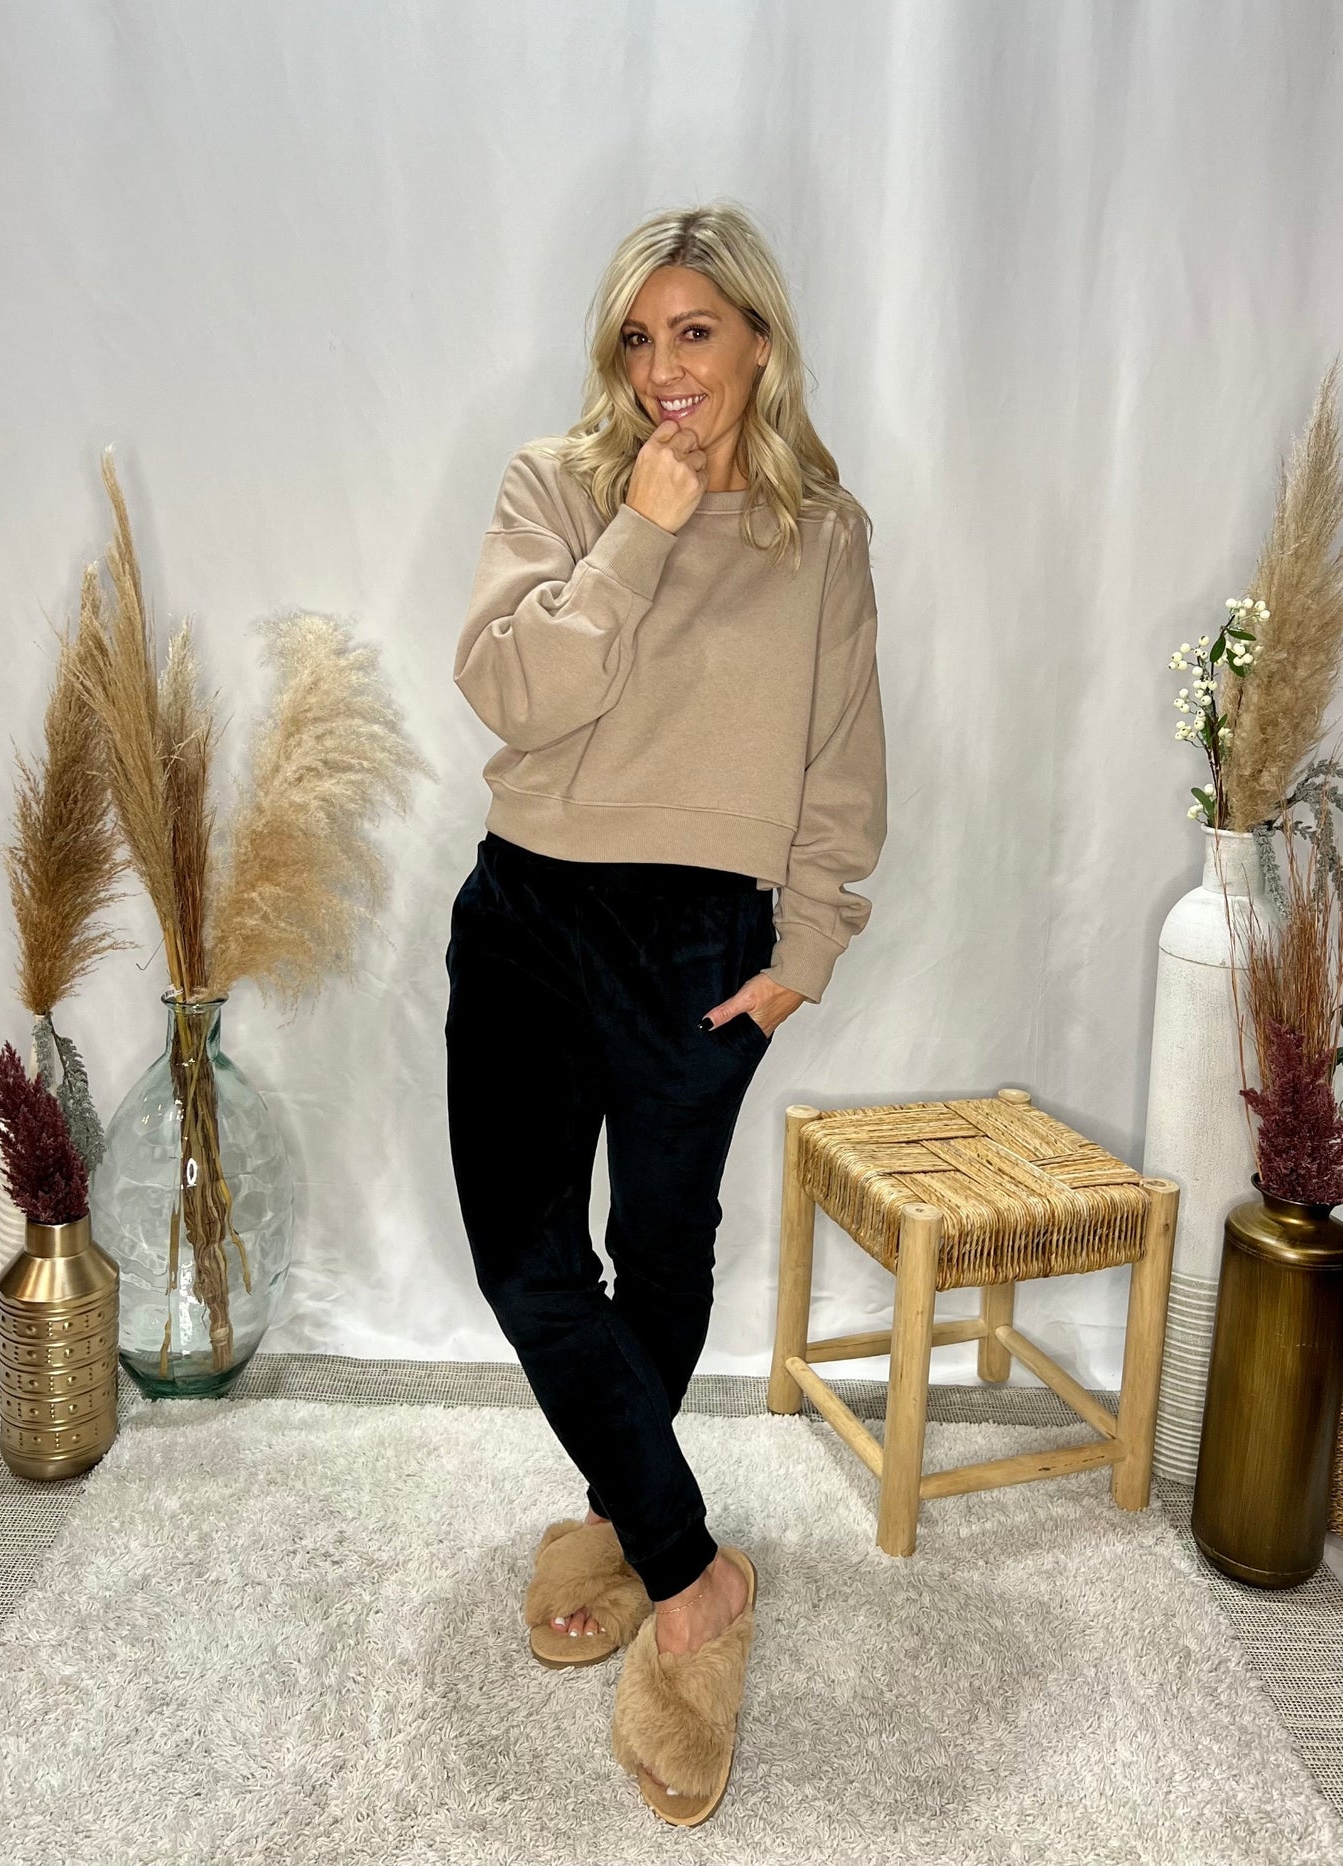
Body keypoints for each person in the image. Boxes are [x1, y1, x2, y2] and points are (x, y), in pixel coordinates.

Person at [444, 199, 887, 1822]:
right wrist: (636, 529)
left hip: (702, 939)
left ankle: (618, 1515)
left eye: (696, 331)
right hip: (528, 912)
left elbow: (843, 761)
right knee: (525, 1260)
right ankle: (693, 1573)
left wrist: (806, 948)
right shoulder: (558, 485)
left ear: (760, 340)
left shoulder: (823, 533)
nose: (664, 368)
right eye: (639, 338)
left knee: (662, 1250)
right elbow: (510, 688)